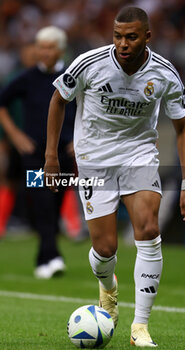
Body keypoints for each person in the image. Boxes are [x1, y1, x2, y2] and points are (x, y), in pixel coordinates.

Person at [44, 7, 185, 347]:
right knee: (104, 248)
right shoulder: (89, 63)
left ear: (146, 37)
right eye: (117, 36)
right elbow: (58, 100)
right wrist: (51, 156)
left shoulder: (165, 74)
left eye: (130, 37)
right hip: (94, 162)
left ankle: (140, 327)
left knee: (148, 228)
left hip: (138, 157)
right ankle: (108, 289)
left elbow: (183, 128)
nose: (122, 44)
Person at [0, 26, 77, 279]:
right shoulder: (26, 77)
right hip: (34, 153)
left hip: (64, 152)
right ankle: (53, 257)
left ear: (61, 49)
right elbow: (2, 104)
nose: (44, 52)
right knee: (42, 202)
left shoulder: (72, 77)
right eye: (40, 47)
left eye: (49, 47)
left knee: (54, 204)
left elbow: (91, 108)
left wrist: (79, 138)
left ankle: (43, 258)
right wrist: (15, 136)